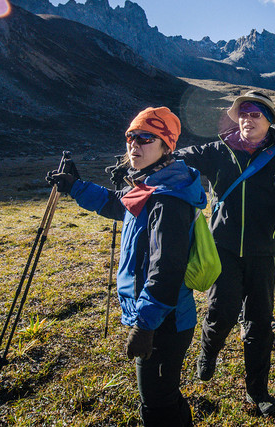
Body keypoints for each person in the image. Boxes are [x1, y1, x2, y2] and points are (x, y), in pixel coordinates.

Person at [47, 107, 204, 426]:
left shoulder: (168, 199)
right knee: (164, 396)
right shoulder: (149, 187)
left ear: (166, 146)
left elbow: (167, 270)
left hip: (164, 322)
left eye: (147, 137)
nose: (135, 143)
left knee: (157, 406)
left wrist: (145, 326)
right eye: (131, 136)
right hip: (162, 317)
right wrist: (76, 187)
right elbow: (117, 204)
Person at [172, 90, 275, 418]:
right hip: (224, 247)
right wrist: (142, 166)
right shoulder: (218, 151)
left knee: (260, 321)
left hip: (265, 250)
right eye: (243, 113)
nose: (247, 119)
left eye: (254, 114)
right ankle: (208, 352)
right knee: (222, 310)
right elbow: (178, 158)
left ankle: (257, 389)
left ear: (269, 121)